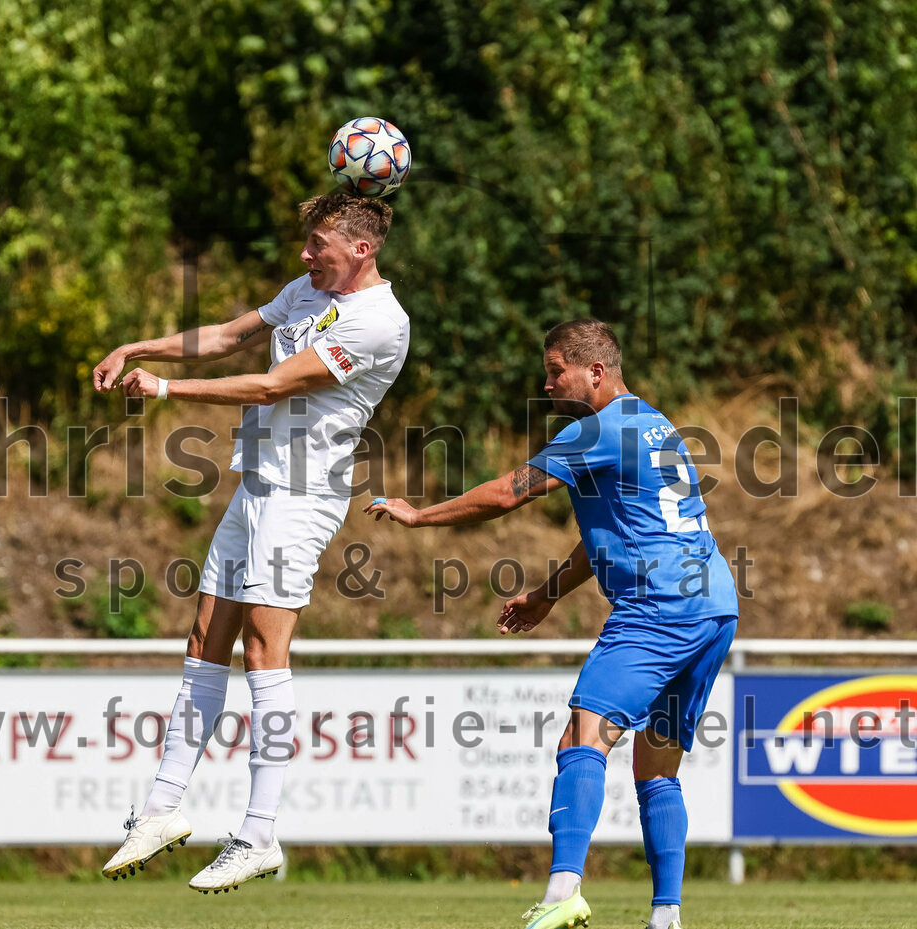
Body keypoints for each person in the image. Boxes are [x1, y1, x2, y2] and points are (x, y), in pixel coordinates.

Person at [365, 319, 738, 929]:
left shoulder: (596, 430)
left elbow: (509, 493)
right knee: (657, 764)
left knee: (582, 736)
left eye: (555, 369)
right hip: (712, 603)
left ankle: (564, 890)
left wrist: (419, 515)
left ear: (595, 371)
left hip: (659, 604)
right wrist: (545, 595)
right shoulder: (654, 425)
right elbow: (612, 535)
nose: (547, 382)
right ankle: (666, 916)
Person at [92, 191, 409, 893]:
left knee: (264, 651)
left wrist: (169, 389)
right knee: (206, 637)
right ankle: (161, 808)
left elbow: (270, 385)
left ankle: (260, 832)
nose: (304, 256)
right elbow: (230, 335)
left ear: (361, 249)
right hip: (257, 483)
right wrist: (136, 345)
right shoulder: (307, 290)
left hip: (302, 495)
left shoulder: (381, 322)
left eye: (317, 247)